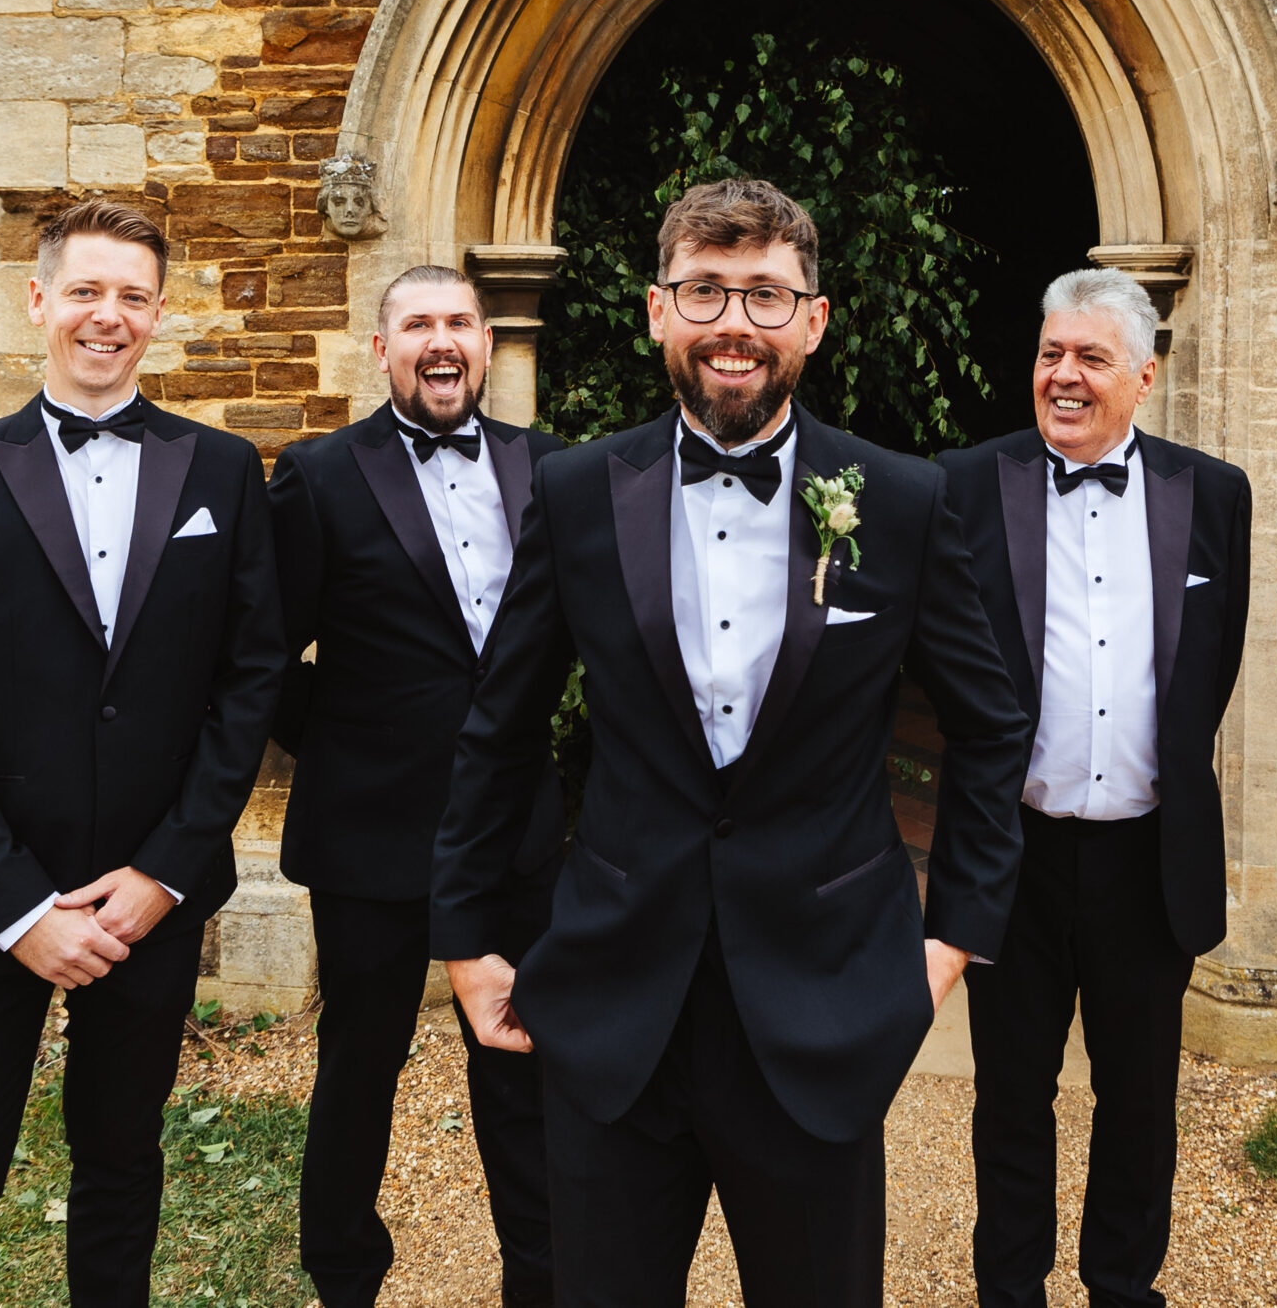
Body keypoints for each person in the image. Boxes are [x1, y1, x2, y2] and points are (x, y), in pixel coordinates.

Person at [430, 178, 1034, 1308]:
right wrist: (465, 942)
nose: (734, 324)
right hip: (614, 997)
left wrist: (950, 940)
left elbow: (992, 725)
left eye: (766, 294)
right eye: (706, 289)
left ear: (811, 320)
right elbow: (498, 725)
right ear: (659, 310)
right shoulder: (574, 492)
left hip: (822, 1000)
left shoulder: (898, 500)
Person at [0, 199, 284, 1308]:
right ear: (39, 301)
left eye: (134, 296)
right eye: (87, 292)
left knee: (121, 1167)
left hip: (148, 898)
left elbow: (248, 687)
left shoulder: (223, 473)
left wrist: (165, 873)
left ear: (157, 316)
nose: (109, 317)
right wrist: (16, 908)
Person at [935, 267, 1251, 1308]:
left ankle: (1122, 1286)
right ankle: (1008, 1290)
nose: (1062, 377)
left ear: (1144, 376)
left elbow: (1213, 660)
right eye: (1049, 355)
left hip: (1146, 853)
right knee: (1010, 1097)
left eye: (1089, 358)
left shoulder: (1213, 494)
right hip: (1012, 853)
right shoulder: (965, 484)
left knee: (1138, 1099)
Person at [269, 264, 562, 1308]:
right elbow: (264, 660)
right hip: (370, 834)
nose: (441, 343)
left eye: (458, 324)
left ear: (486, 344)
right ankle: (343, 1276)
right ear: (382, 348)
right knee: (360, 1070)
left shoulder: (550, 469)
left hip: (520, 832)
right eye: (417, 325)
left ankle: (540, 1277)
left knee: (525, 1064)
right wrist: (353, 748)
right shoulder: (318, 476)